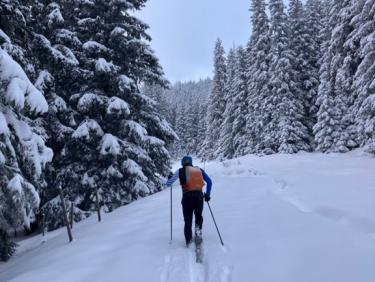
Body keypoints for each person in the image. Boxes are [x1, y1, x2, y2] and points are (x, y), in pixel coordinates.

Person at [166, 156, 212, 246]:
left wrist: (170, 177)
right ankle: (198, 235)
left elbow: (168, 184)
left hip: (187, 198)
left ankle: (188, 241)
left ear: (182, 163)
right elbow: (209, 182)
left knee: (188, 221)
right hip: (199, 197)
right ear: (191, 162)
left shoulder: (180, 171)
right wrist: (207, 195)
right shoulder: (199, 170)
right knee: (198, 217)